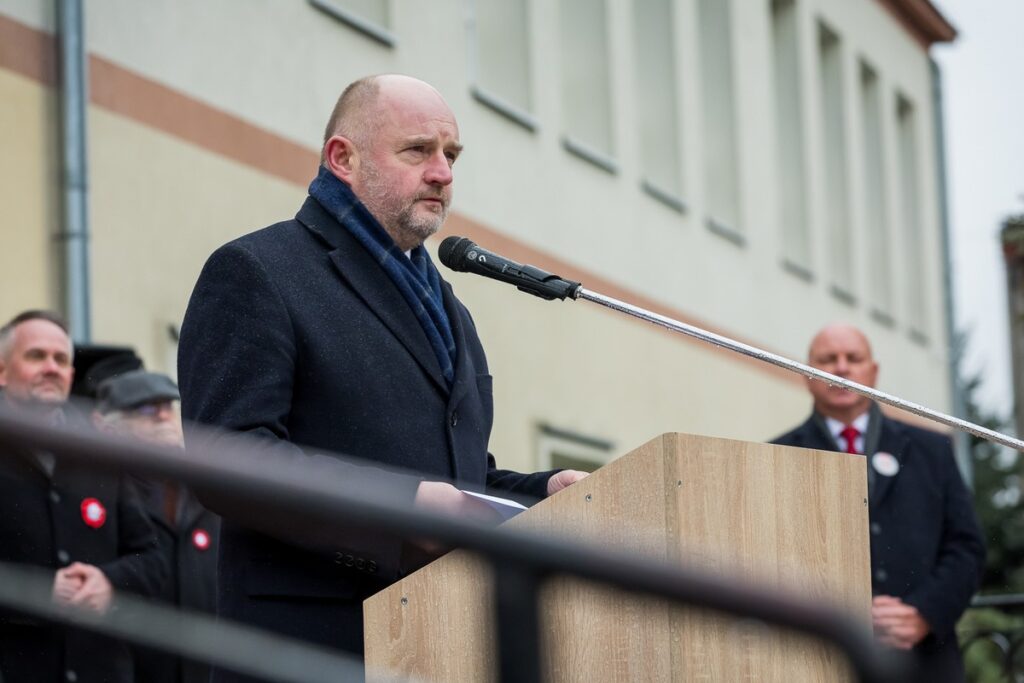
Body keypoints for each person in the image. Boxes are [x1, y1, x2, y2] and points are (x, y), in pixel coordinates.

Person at [177, 74, 586, 676]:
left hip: (440, 648)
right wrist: (405, 507)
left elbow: (460, 475)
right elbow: (228, 460)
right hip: (311, 649)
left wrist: (545, 494)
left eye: (452, 154)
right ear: (343, 158)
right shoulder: (257, 272)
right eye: (418, 150)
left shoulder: (450, 309)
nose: (443, 172)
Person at [771, 323, 985, 681]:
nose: (842, 368)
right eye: (827, 360)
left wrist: (924, 613)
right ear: (806, 374)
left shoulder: (932, 449)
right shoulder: (776, 456)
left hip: (926, 663)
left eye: (853, 358)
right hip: (823, 662)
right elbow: (769, 560)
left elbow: (967, 547)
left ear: (873, 372)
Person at [0, 310, 168, 683]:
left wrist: (109, 582)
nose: (51, 367)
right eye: (36, 356)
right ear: (2, 371)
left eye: (61, 359)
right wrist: (38, 591)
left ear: (71, 376)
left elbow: (152, 559)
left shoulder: (100, 454)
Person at [93, 369, 219, 683]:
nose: (163, 417)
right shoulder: (100, 490)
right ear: (107, 426)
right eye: (147, 409)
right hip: (131, 661)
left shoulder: (208, 489)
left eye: (168, 406)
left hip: (209, 662)